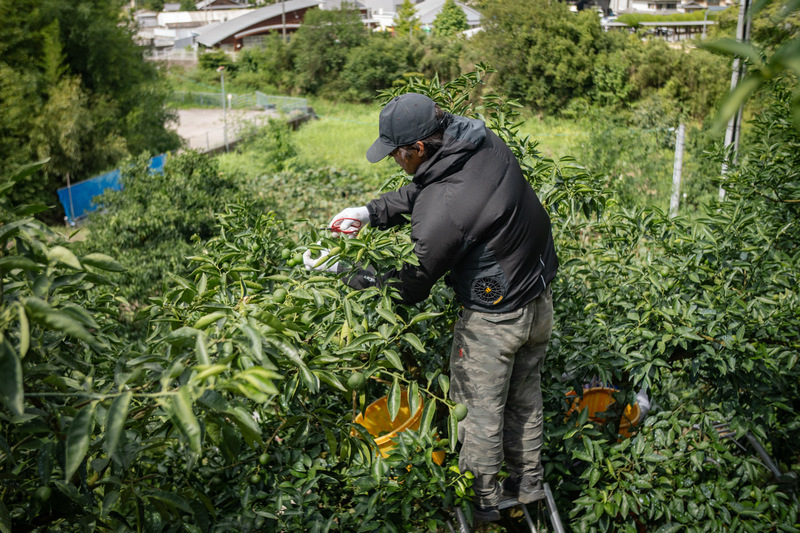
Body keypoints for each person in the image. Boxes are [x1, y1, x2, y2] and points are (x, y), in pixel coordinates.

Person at [304, 93, 558, 523]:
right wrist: (370, 212)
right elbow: (431, 188)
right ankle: (528, 483)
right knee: (525, 396)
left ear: (418, 148)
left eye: (396, 154)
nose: (394, 161)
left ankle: (483, 504)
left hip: (496, 318)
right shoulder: (479, 141)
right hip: (538, 293)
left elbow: (411, 285)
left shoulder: (444, 205)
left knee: (479, 411)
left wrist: (343, 270)